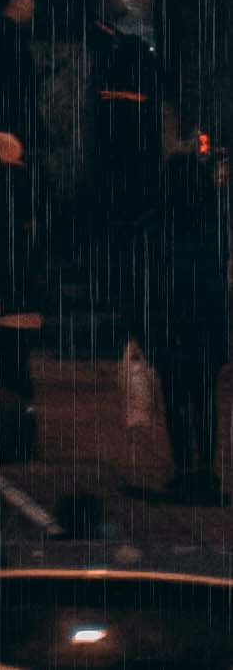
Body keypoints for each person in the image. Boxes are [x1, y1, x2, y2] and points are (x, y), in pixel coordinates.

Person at [148, 121, 227, 505]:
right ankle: (205, 468)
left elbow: (154, 276)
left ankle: (184, 466)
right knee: (204, 396)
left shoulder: (162, 223)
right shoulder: (213, 219)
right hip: (207, 320)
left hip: (174, 321)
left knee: (177, 396)